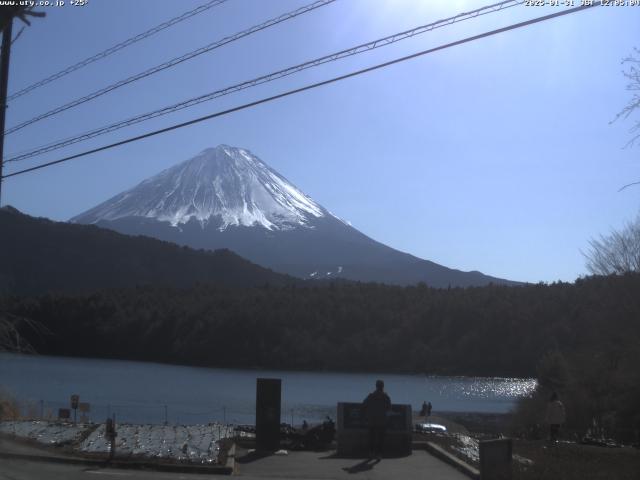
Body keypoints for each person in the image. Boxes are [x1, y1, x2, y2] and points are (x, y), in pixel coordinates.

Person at [362, 379, 391, 458]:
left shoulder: (371, 396)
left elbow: (364, 404)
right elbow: (389, 408)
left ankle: (371, 453)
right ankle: (379, 454)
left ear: (376, 386)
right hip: (382, 420)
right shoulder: (386, 397)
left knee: (371, 437)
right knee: (381, 438)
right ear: (383, 386)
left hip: (372, 420)